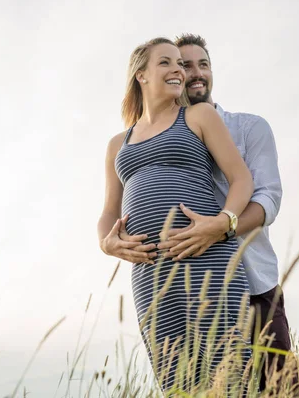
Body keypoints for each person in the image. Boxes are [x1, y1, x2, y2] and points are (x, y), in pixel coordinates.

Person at [97, 37, 254, 393]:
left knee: (231, 380)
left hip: (209, 261)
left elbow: (241, 178)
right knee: (178, 384)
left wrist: (223, 221)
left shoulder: (199, 116)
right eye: (166, 63)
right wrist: (108, 244)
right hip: (151, 275)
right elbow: (108, 212)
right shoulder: (116, 144)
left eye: (180, 65)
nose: (178, 71)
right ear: (141, 75)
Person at [153, 33, 299, 394]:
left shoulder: (249, 127)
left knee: (278, 389)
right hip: (193, 293)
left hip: (254, 285)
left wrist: (221, 229)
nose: (196, 73)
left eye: (204, 64)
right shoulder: (161, 137)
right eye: (186, 66)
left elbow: (269, 198)